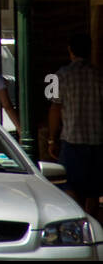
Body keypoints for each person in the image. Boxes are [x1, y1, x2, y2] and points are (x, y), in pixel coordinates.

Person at [48, 32, 103, 220]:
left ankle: (80, 223)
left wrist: (51, 138)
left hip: (71, 140)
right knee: (94, 190)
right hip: (97, 141)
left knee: (70, 187)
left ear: (70, 50)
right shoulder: (99, 75)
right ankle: (95, 223)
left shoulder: (58, 76)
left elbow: (55, 107)